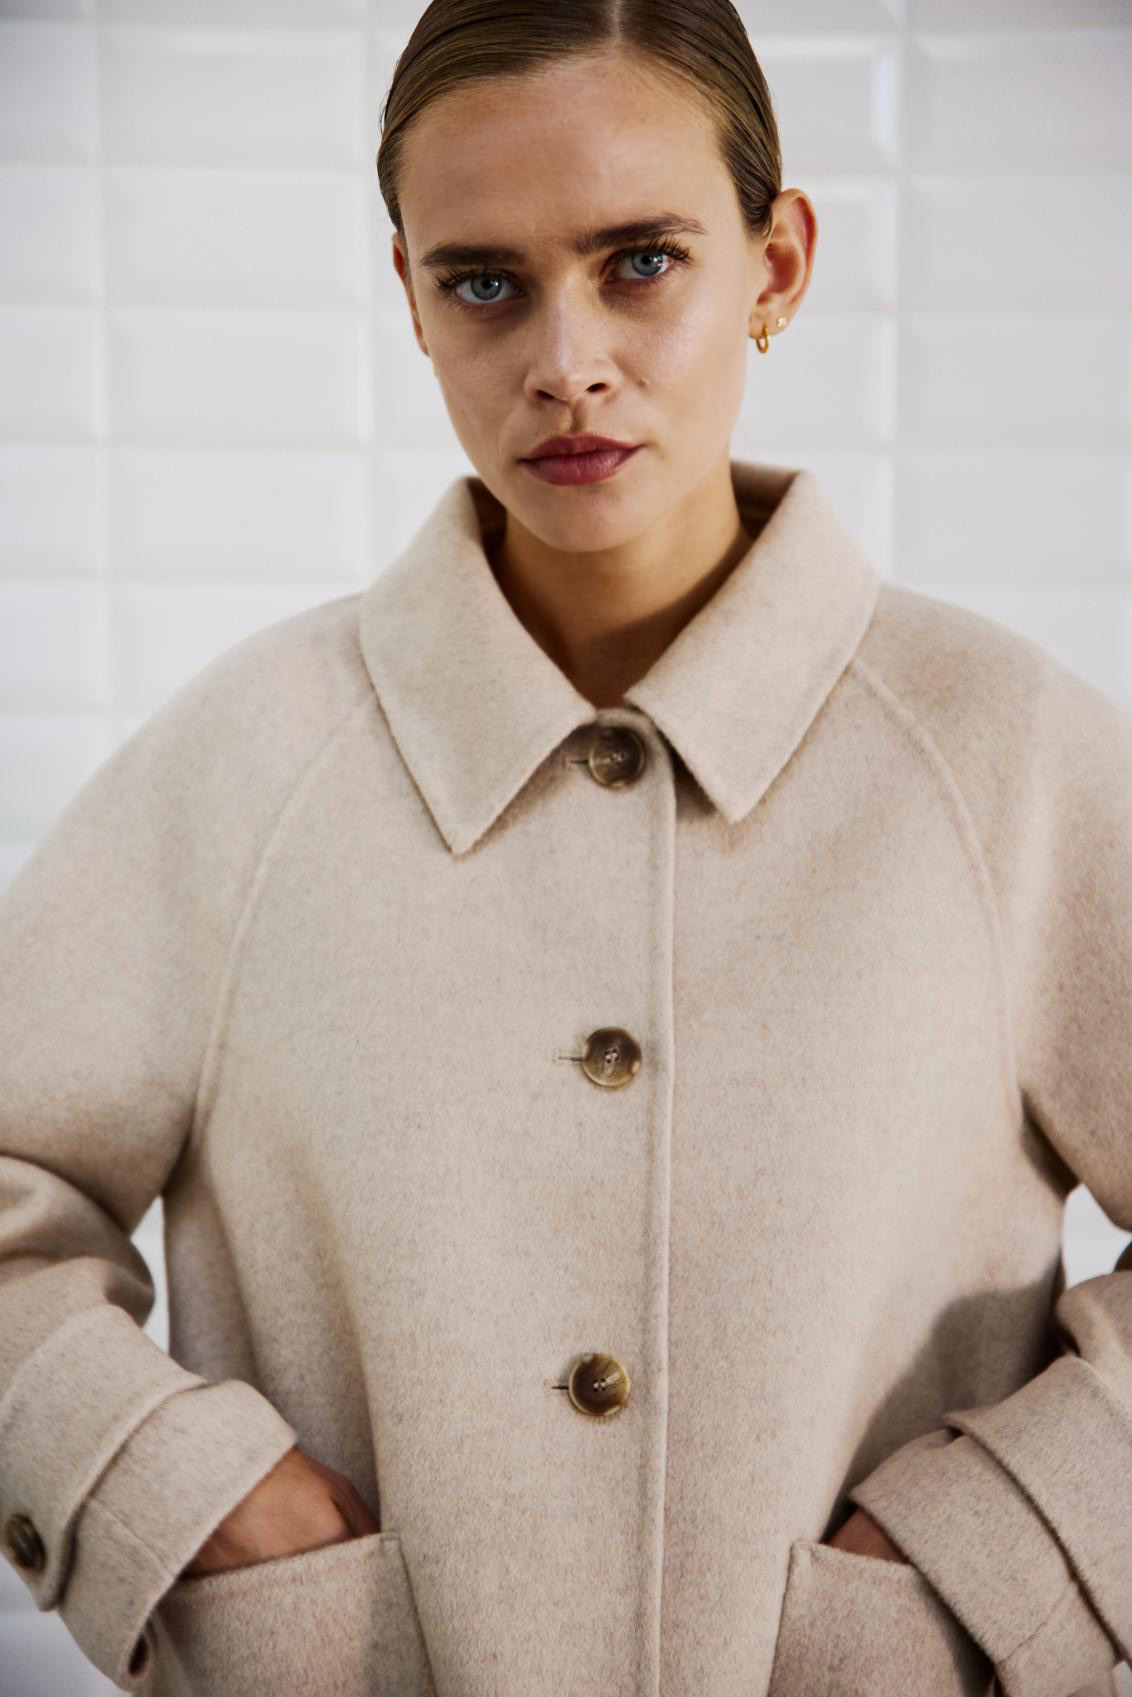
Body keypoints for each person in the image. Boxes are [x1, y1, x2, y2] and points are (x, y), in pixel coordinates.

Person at [1, 2, 1128, 1695]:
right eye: (486, 283)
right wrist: (166, 1488)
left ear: (778, 262)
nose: (566, 360)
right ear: (409, 296)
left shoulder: (1009, 757)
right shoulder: (248, 765)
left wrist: (1005, 1546)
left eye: (642, 262)